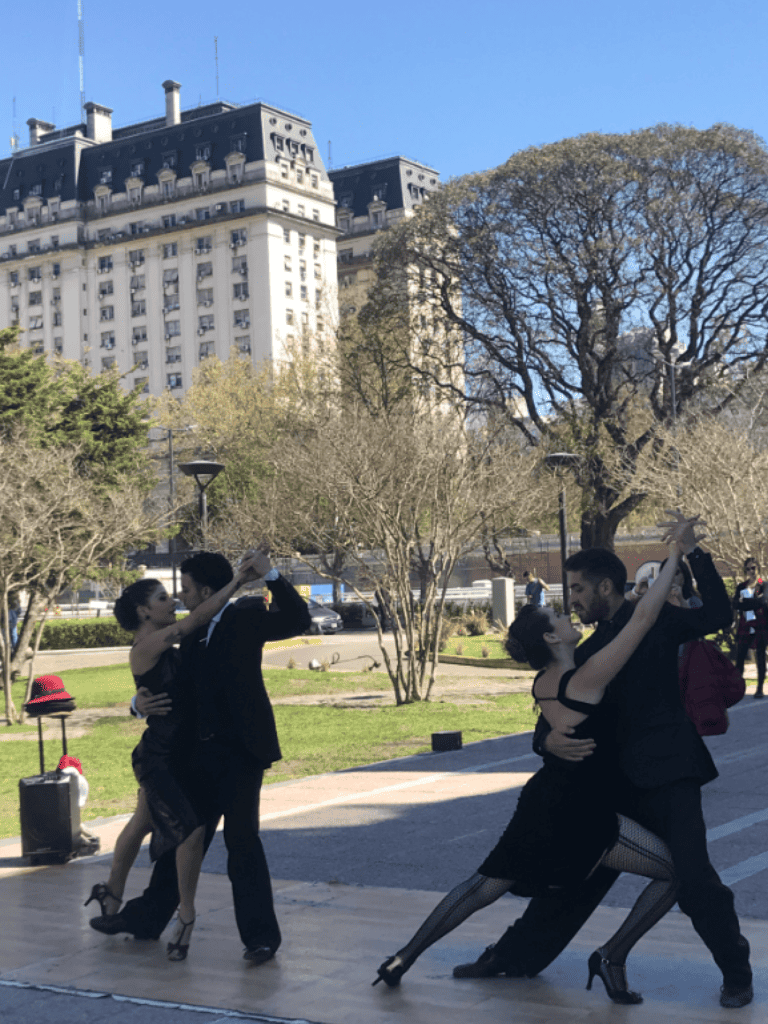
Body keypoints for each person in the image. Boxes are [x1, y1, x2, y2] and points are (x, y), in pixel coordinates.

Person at [373, 520, 690, 1003]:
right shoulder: (586, 679)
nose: (568, 616)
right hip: (584, 812)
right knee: (675, 873)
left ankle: (402, 958)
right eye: (557, 620)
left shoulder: (542, 684)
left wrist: (545, 743)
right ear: (552, 640)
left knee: (482, 885)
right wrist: (673, 556)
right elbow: (643, 618)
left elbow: (550, 729)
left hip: (540, 803)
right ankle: (613, 954)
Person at [453, 517, 753, 1010]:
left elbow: (718, 614)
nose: (571, 598)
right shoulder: (587, 650)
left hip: (669, 776)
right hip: (609, 784)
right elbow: (552, 715)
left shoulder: (655, 618)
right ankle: (512, 957)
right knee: (574, 878)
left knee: (695, 880)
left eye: (576, 588)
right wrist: (548, 742)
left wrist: (695, 554)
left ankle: (735, 972)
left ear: (605, 587)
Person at [90, 551, 312, 966]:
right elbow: (162, 686)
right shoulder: (180, 633)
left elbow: (298, 621)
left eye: (186, 588)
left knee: (242, 842)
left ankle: (260, 939)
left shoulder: (244, 616)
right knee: (185, 839)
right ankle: (145, 919)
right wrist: (137, 706)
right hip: (193, 755)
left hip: (241, 752)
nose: (180, 596)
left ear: (205, 591)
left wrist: (273, 577)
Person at [733, 556, 767, 699]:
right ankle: (737, 689)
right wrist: (753, 602)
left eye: (753, 568)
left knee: (760, 657)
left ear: (758, 568)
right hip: (745, 626)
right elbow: (735, 604)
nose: (751, 571)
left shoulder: (762, 584)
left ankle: (759, 688)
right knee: (740, 657)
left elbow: (763, 601)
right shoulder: (742, 586)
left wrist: (745, 602)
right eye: (748, 569)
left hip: (760, 626)